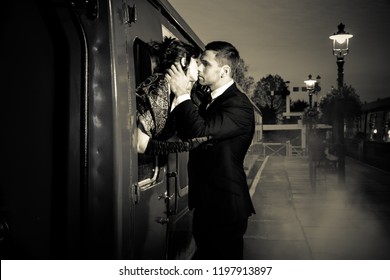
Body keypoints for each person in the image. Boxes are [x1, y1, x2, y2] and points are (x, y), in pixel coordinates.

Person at [166, 41, 256, 259]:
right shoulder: (209, 100)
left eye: (205, 64)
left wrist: (182, 93)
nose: (199, 67)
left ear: (224, 71)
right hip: (207, 203)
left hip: (225, 208)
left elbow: (199, 131)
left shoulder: (238, 104)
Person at [136, 37, 209, 154]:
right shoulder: (159, 85)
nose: (200, 68)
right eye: (196, 62)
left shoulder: (178, 91)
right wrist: (188, 146)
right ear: (184, 61)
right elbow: (139, 144)